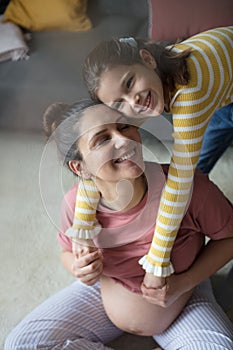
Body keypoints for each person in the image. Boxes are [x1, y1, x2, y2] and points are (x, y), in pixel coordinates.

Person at [5, 100, 233, 350]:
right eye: (102, 139)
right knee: (21, 343)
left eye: (124, 127)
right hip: (105, 291)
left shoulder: (190, 189)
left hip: (183, 295)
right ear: (80, 168)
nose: (123, 140)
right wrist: (77, 267)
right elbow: (67, 252)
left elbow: (229, 238)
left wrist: (184, 283)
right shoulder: (76, 204)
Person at [69, 26, 233, 289]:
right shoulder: (145, 89)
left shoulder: (190, 95)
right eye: (119, 104)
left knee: (184, 178)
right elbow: (94, 158)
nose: (132, 101)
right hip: (222, 96)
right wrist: (83, 225)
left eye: (130, 82)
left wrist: (158, 260)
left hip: (217, 89)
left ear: (147, 59)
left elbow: (180, 183)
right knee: (193, 174)